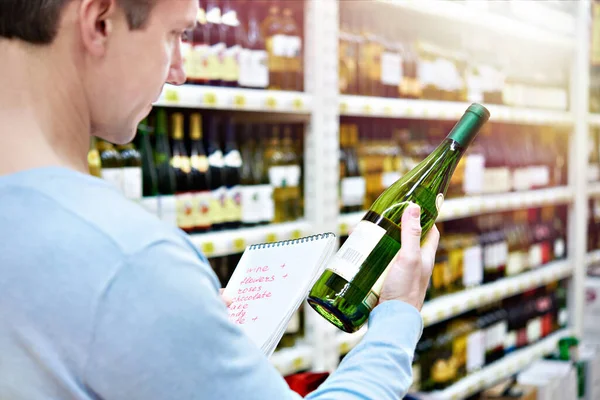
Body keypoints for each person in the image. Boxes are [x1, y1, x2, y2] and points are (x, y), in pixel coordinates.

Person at [0, 0, 440, 399]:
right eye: (173, 35)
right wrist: (398, 316)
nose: (179, 70)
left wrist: (190, 334)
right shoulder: (129, 259)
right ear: (100, 22)